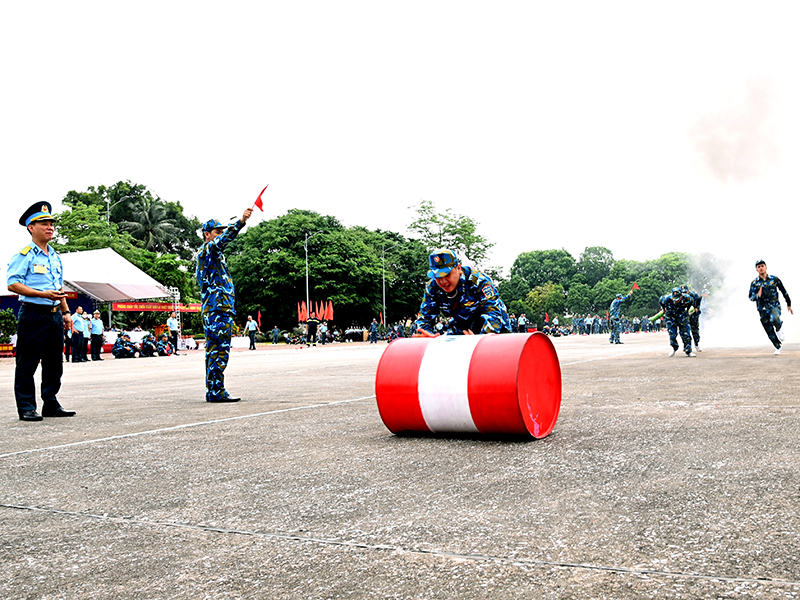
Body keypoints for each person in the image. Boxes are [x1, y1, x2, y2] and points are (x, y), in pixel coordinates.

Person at [7, 202, 76, 420]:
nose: (50, 228)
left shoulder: (55, 256)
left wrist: (66, 313)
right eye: (44, 224)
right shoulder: (24, 255)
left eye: (51, 224)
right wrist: (41, 294)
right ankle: (26, 406)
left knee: (54, 362)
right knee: (27, 362)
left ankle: (51, 403)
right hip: (33, 314)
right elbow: (13, 284)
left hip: (54, 314)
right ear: (31, 228)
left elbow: (58, 288)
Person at [196, 207, 253, 402]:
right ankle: (216, 391)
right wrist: (241, 222)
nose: (220, 235)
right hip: (217, 309)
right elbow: (223, 241)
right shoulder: (208, 250)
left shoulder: (213, 255)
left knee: (215, 350)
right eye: (217, 232)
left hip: (218, 308)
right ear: (207, 235)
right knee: (219, 350)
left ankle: (214, 389)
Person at [415, 249, 511, 336]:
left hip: (494, 327)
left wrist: (481, 341)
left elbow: (493, 313)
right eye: (437, 276)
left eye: (447, 275)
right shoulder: (432, 287)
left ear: (459, 268)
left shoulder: (478, 281)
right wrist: (426, 336)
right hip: (462, 325)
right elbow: (424, 319)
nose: (443, 281)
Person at [749, 259, 793, 355]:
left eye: (762, 266)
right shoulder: (754, 283)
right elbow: (751, 297)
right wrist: (758, 296)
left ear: (766, 267)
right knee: (768, 329)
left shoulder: (774, 279)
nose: (761, 268)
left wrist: (789, 304)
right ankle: (778, 347)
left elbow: (783, 291)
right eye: (758, 267)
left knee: (775, 319)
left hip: (774, 306)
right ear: (756, 269)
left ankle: (778, 328)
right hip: (762, 309)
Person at [660, 287, 695, 357]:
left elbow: (691, 303)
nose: (676, 301)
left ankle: (688, 351)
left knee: (686, 334)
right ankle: (674, 347)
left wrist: (688, 310)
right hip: (671, 317)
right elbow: (661, 301)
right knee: (672, 334)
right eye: (675, 299)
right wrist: (664, 309)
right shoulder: (666, 298)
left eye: (678, 298)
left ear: (681, 295)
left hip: (682, 316)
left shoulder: (687, 298)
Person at [680, 284, 703, 352]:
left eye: (685, 292)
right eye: (683, 292)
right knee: (685, 332)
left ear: (688, 291)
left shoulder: (694, 295)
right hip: (685, 315)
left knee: (695, 330)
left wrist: (697, 307)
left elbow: (700, 298)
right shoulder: (680, 297)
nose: (684, 293)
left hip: (693, 316)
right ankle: (687, 347)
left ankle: (696, 344)